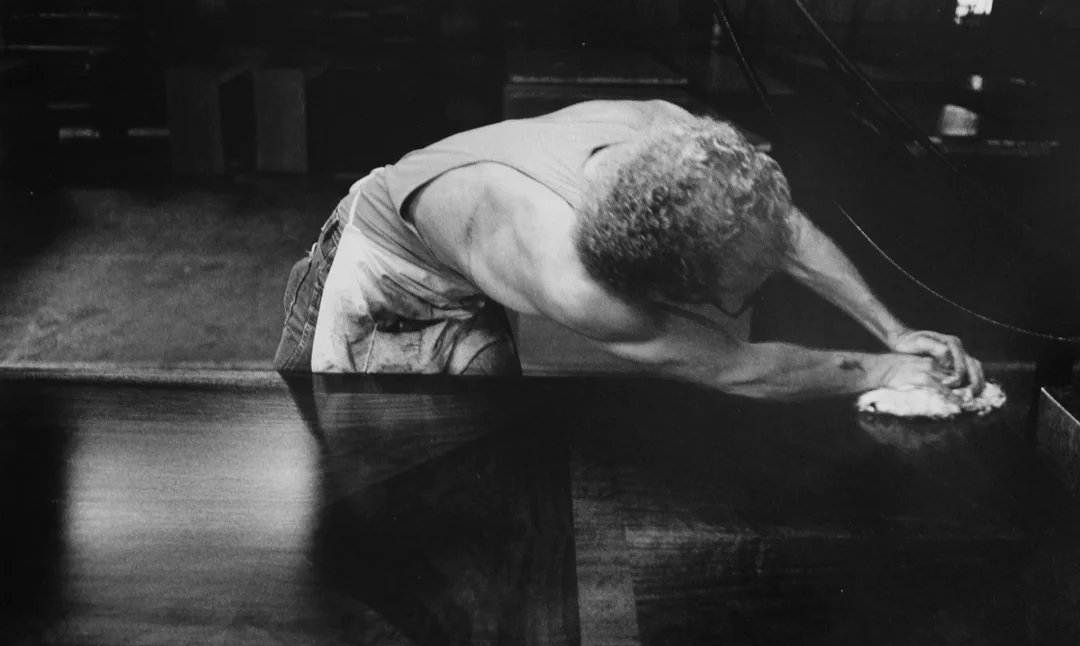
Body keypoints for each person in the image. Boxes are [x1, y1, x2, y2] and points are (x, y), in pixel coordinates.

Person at [273, 99, 984, 399]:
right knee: (352, 480)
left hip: (467, 262)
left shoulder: (675, 140)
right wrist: (882, 372)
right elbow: (738, 368)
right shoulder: (575, 281)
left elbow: (780, 224)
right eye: (735, 293)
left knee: (482, 457)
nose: (757, 298)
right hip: (377, 270)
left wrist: (892, 328)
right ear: (664, 287)